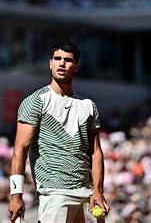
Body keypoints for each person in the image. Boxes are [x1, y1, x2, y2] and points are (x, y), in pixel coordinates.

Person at [8, 41, 110, 222]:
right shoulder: (35, 101)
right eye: (57, 59)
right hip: (54, 192)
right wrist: (16, 195)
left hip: (87, 194)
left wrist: (98, 191)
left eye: (68, 60)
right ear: (50, 63)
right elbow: (20, 150)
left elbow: (96, 152)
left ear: (76, 66)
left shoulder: (88, 105)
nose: (62, 63)